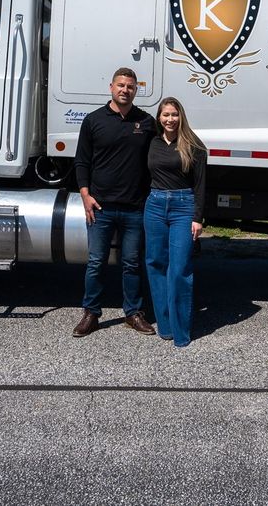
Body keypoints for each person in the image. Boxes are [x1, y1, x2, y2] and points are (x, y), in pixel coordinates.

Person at [72, 68, 157, 337]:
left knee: (132, 263)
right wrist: (85, 195)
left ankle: (133, 313)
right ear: (111, 87)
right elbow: (82, 161)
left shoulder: (146, 122)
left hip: (135, 208)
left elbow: (158, 157)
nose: (125, 90)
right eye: (121, 85)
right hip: (101, 208)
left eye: (130, 86)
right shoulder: (93, 120)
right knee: (96, 262)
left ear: (136, 90)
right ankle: (91, 313)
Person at [144, 97, 207, 347]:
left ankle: (181, 333)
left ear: (181, 117)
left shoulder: (194, 145)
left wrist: (197, 218)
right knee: (156, 264)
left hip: (183, 207)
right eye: (165, 115)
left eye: (174, 114)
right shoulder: (152, 142)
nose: (170, 119)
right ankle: (166, 326)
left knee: (180, 268)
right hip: (155, 205)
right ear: (159, 118)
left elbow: (201, 185)